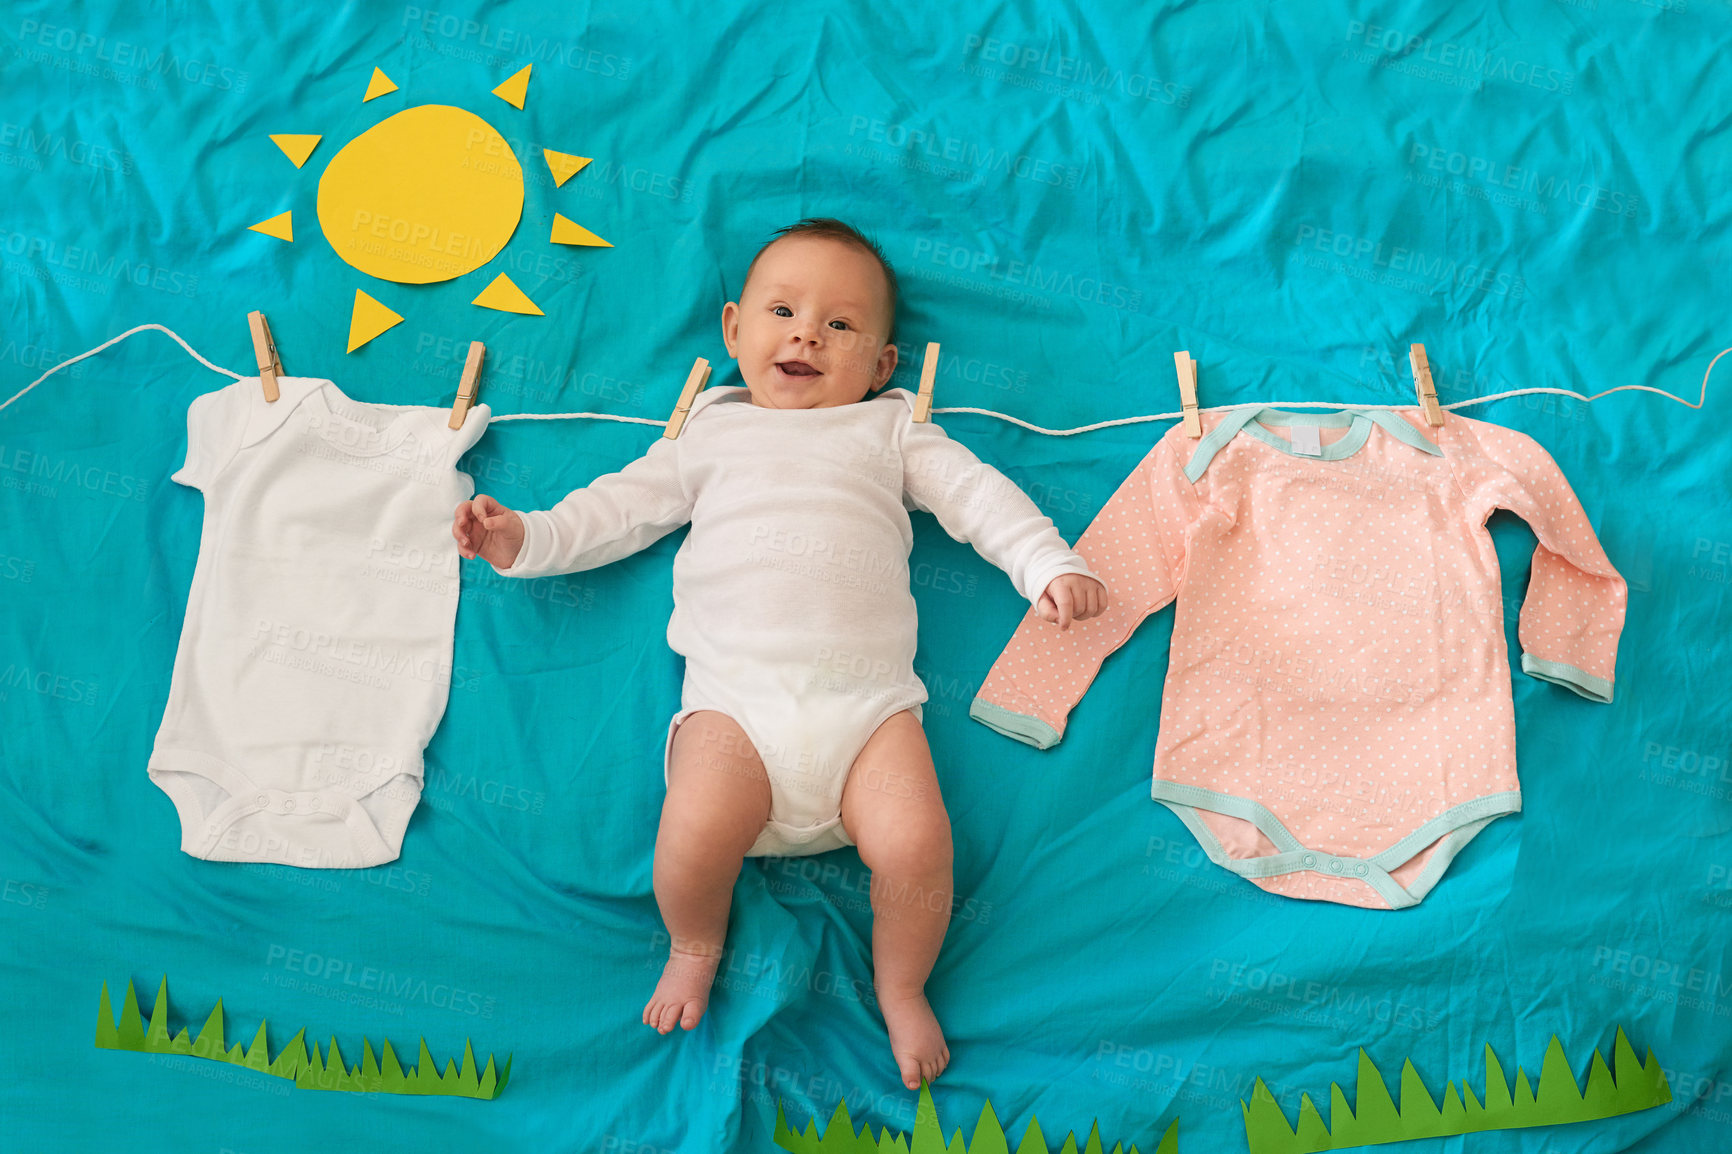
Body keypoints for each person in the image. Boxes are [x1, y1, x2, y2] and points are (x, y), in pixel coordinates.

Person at [452, 218, 1108, 1090]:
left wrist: (1045, 562)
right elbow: (613, 510)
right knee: (688, 837)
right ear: (734, 331)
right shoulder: (708, 437)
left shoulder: (892, 433)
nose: (806, 334)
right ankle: (695, 942)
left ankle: (902, 985)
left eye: (840, 325)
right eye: (784, 311)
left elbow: (978, 499)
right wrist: (524, 538)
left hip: (867, 717)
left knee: (919, 847)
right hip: (737, 710)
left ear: (881, 367)